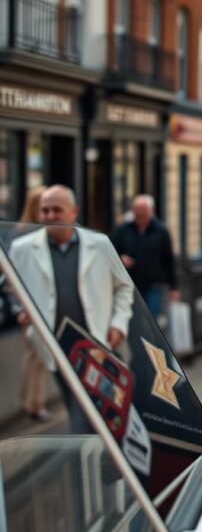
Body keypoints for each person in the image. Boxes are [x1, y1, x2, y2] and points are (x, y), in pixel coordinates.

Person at [10, 185, 134, 433]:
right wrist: (20, 310)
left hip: (97, 346)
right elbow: (14, 291)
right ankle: (95, 461)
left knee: (90, 413)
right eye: (45, 210)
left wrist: (118, 325)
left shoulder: (100, 245)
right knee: (80, 406)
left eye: (57, 210)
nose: (50, 216)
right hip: (55, 348)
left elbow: (124, 287)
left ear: (73, 212)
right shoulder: (22, 249)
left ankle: (88, 463)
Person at [112, 194, 178, 320]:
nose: (140, 213)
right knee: (132, 320)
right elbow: (112, 253)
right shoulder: (122, 231)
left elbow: (168, 260)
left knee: (150, 320)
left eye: (143, 210)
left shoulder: (161, 231)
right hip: (129, 285)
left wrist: (173, 287)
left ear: (151, 211)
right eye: (137, 210)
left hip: (154, 285)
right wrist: (121, 259)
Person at [17, 186, 49, 422]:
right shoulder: (26, 236)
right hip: (31, 305)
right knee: (36, 356)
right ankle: (34, 404)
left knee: (35, 356)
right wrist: (22, 306)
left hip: (42, 303)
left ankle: (31, 402)